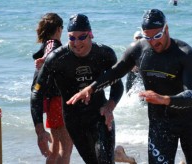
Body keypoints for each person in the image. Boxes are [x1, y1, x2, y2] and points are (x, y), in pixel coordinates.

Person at [67, 9, 192, 164]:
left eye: (157, 36)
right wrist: (91, 88)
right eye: (148, 37)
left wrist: (163, 99)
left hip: (191, 122)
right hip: (160, 123)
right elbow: (115, 73)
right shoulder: (139, 49)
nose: (154, 42)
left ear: (166, 29)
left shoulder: (185, 53)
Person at [31, 13, 125, 163]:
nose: (76, 43)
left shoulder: (104, 54)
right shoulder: (56, 59)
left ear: (90, 35)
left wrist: (109, 107)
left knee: (105, 161)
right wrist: (40, 131)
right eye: (72, 38)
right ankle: (119, 154)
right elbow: (36, 92)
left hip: (100, 115)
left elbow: (118, 85)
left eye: (81, 37)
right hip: (74, 121)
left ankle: (117, 155)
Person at [30, 13, 73, 164]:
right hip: (57, 102)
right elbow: (51, 52)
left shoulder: (46, 44)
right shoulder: (53, 44)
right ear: (59, 29)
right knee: (66, 149)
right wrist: (45, 59)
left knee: (55, 149)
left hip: (50, 102)